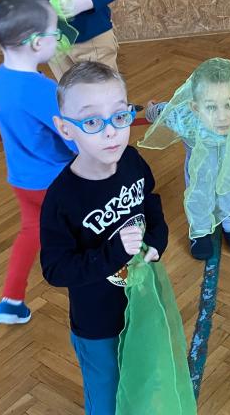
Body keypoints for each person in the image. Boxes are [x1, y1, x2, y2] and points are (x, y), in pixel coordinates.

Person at [40, 62, 169, 414]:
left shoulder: (132, 160)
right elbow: (55, 269)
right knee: (107, 397)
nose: (111, 132)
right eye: (93, 122)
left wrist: (156, 242)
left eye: (120, 116)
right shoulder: (62, 200)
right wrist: (113, 253)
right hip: (98, 324)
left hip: (141, 303)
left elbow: (150, 201)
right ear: (66, 128)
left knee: (142, 379)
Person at [0, 0, 76, 325]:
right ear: (38, 43)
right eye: (55, 32)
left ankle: (11, 301)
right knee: (86, 229)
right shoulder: (42, 90)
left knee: (31, 231)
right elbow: (73, 137)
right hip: (56, 181)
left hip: (22, 179)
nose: (58, 37)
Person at [142, 58, 230, 259]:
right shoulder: (185, 120)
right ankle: (200, 231)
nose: (222, 116)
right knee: (199, 193)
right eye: (211, 107)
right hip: (201, 172)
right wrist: (150, 109)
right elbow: (163, 112)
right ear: (196, 108)